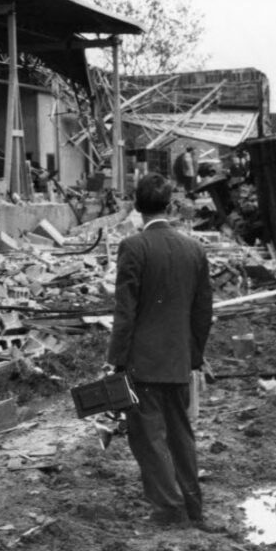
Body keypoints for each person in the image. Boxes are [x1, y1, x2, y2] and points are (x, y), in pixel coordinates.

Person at [107, 172, 213, 527]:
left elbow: (126, 312)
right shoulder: (194, 249)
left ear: (136, 207)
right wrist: (194, 357)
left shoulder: (133, 247)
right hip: (178, 360)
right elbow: (203, 313)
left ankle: (169, 510)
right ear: (170, 205)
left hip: (143, 363)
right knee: (181, 434)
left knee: (148, 438)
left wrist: (116, 361)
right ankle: (193, 507)